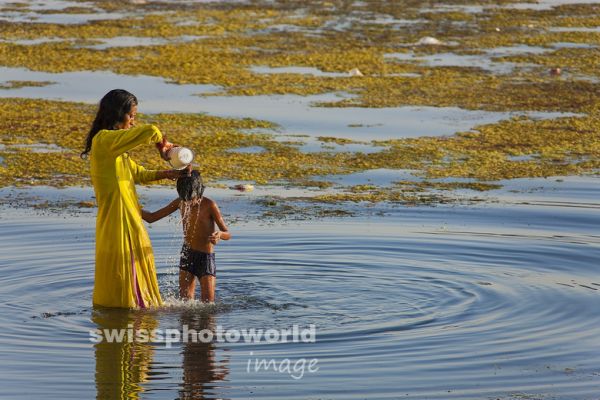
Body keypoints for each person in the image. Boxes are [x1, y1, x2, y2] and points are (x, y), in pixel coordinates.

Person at [82, 88, 190, 308]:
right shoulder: (103, 140)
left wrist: (169, 174)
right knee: (123, 268)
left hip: (129, 217)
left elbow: (139, 174)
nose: (133, 121)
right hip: (117, 219)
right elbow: (150, 130)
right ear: (117, 114)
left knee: (137, 266)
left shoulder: (116, 149)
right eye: (131, 115)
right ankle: (126, 312)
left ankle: (135, 310)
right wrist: (164, 145)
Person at [142, 171, 231, 302]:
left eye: (191, 200)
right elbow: (151, 217)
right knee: (185, 303)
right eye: (185, 200)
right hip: (187, 254)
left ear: (199, 192)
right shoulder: (180, 202)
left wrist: (220, 235)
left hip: (205, 259)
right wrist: (130, 206)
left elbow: (227, 234)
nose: (188, 203)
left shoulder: (210, 205)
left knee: (208, 305)